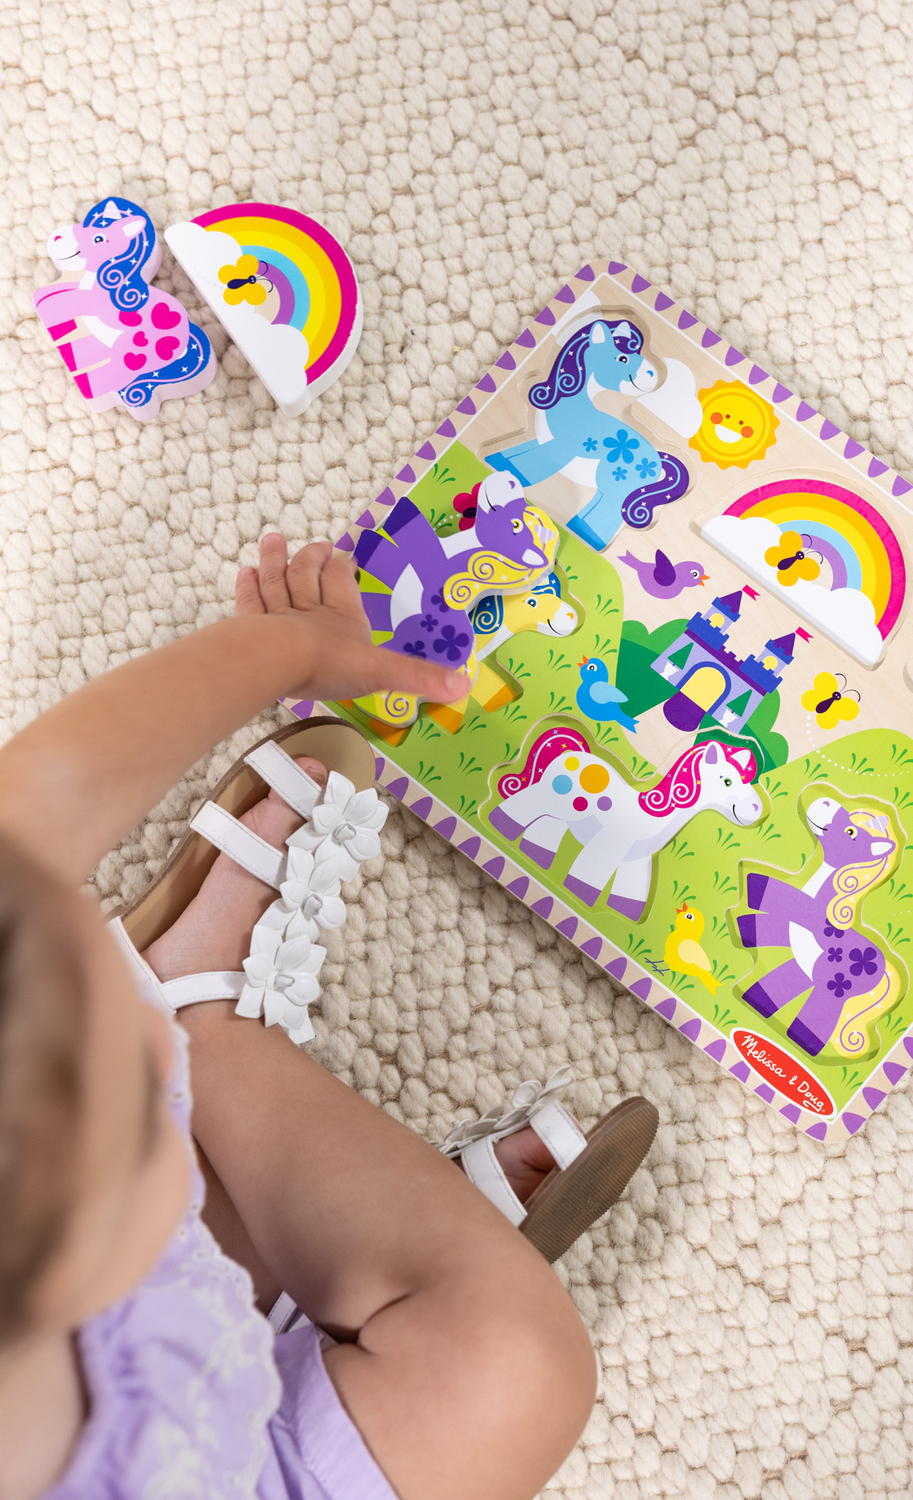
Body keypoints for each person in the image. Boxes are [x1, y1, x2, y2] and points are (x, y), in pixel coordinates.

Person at [0, 534, 653, 1500]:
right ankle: (221, 1061)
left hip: (142, 1326)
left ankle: (197, 1032)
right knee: (519, 1373)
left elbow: (36, 809)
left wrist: (291, 649)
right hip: (228, 1468)